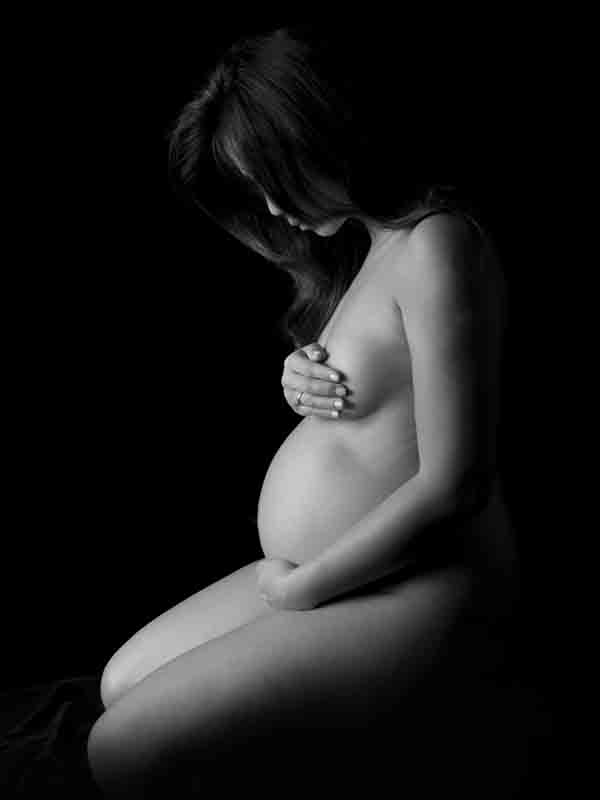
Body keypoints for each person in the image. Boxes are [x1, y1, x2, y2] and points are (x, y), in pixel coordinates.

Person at [87, 22, 524, 797]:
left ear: (324, 136)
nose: (272, 208)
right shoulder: (371, 250)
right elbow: (383, 393)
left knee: (120, 753)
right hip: (334, 573)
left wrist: (308, 587)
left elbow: (459, 483)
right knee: (117, 686)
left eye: (275, 179)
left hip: (419, 585)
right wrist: (303, 381)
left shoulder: (438, 244)